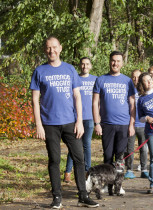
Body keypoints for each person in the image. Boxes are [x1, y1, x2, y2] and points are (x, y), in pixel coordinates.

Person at [30, 36, 98, 208]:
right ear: (45, 50)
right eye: (48, 48)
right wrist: (38, 124)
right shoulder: (39, 71)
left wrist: (80, 121)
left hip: (70, 122)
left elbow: (77, 96)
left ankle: (83, 195)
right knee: (54, 159)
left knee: (79, 158)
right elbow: (35, 99)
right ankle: (57, 198)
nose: (51, 50)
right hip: (49, 124)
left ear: (60, 48)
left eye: (54, 47)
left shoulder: (70, 69)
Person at [92, 51, 136, 165]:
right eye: (113, 61)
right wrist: (97, 123)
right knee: (107, 156)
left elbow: (132, 104)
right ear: (109, 62)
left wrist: (131, 125)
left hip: (123, 124)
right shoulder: (100, 79)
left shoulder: (128, 81)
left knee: (120, 156)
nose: (115, 63)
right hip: (107, 124)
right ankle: (107, 182)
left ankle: (118, 182)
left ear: (122, 63)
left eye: (118, 61)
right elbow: (95, 103)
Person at [63, 57, 97, 183]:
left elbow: (98, 101)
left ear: (90, 66)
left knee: (87, 144)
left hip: (89, 118)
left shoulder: (95, 79)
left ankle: (87, 171)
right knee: (74, 145)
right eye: (82, 64)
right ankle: (68, 172)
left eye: (87, 64)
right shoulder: (74, 78)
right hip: (76, 118)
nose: (84, 66)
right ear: (79, 65)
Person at [124, 69, 149, 179]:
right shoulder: (128, 90)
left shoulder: (145, 91)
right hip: (131, 124)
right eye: (133, 77)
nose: (135, 79)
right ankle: (129, 170)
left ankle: (144, 169)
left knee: (143, 149)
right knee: (129, 149)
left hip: (143, 125)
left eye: (137, 77)